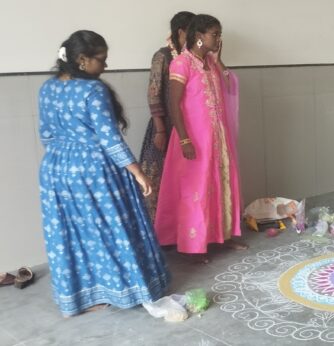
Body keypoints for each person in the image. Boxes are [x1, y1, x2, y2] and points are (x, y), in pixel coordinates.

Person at [38, 30, 169, 316]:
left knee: (73, 234)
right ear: (83, 60)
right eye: (102, 60)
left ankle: (83, 296)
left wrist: (64, 156)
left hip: (55, 170)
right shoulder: (92, 91)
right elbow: (110, 139)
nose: (106, 66)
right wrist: (138, 173)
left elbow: (45, 134)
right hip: (93, 172)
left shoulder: (47, 88)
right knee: (110, 231)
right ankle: (123, 289)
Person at [154, 14, 245, 262]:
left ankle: (222, 237)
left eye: (219, 34)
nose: (218, 38)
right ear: (199, 37)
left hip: (216, 137)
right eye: (214, 34)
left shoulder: (211, 63)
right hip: (193, 139)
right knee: (195, 190)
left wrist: (220, 59)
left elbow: (229, 86)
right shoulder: (182, 63)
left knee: (219, 184)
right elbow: (174, 103)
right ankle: (193, 246)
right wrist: (184, 139)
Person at [138, 11, 195, 222]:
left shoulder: (194, 58)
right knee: (160, 179)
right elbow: (154, 93)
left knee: (186, 180)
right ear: (182, 31)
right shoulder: (162, 56)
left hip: (189, 127)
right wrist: (161, 129)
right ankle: (161, 231)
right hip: (166, 127)